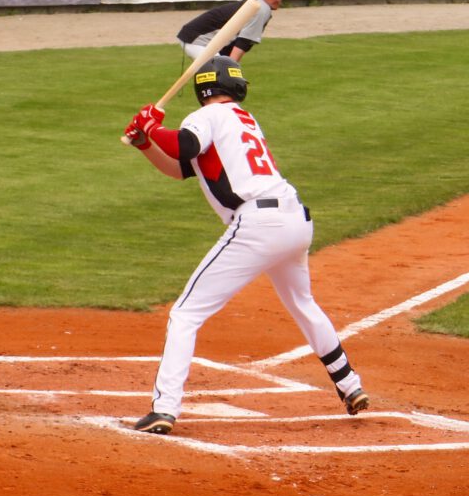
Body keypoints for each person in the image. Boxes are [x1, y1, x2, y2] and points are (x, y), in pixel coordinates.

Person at [122, 56, 369, 435]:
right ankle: (350, 384)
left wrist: (153, 126)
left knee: (185, 314)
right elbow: (181, 167)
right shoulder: (240, 119)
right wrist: (145, 142)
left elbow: (185, 145)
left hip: (258, 224)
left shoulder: (206, 117)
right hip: (294, 219)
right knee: (303, 303)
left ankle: (164, 409)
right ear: (233, 85)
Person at [176, 0, 285, 63]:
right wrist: (231, 68)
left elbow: (235, 43)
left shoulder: (256, 5)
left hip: (198, 38)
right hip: (197, 40)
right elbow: (243, 43)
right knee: (220, 75)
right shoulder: (261, 9)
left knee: (220, 77)